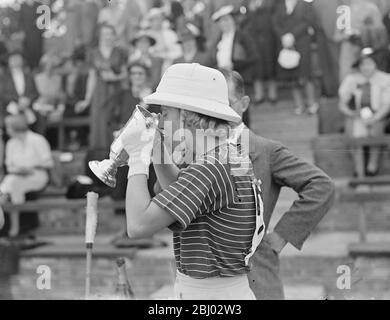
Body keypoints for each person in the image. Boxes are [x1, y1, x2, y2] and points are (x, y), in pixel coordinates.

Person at [123, 63, 265, 300]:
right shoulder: (228, 156)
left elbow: (137, 226)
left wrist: (138, 157)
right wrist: (157, 149)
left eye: (166, 113)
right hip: (226, 291)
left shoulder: (208, 168)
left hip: (209, 295)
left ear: (187, 115)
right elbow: (183, 192)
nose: (160, 120)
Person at [220, 69, 336, 300]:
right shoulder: (192, 150)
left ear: (243, 104)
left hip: (255, 273)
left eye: (227, 103)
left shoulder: (265, 150)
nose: (219, 112)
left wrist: (281, 236)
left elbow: (321, 185)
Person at [339, 48, 390, 177]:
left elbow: (386, 104)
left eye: (369, 63)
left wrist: (376, 117)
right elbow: (343, 103)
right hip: (357, 115)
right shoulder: (352, 79)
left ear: (375, 64)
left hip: (378, 115)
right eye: (363, 64)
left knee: (376, 128)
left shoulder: (385, 79)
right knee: (353, 130)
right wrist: (351, 113)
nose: (366, 67)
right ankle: (358, 168)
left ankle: (372, 165)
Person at [76, 23, 128, 150]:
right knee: (98, 125)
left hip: (116, 91)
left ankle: (118, 156)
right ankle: (99, 156)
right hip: (99, 92)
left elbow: (126, 74)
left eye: (111, 34)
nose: (108, 37)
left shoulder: (120, 52)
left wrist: (114, 77)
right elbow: (92, 77)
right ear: (99, 35)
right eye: (105, 34)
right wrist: (87, 99)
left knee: (115, 123)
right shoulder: (93, 53)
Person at [0, 114, 53, 237]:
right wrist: (19, 170)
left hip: (36, 175)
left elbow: (48, 163)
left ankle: (15, 228)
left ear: (15, 127)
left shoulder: (37, 140)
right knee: (11, 183)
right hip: (16, 176)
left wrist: (31, 167)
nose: (6, 130)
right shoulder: (11, 143)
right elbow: (9, 166)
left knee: (13, 185)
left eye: (8, 127)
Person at [211, 5, 258, 128]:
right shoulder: (218, 39)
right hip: (223, 80)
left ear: (233, 20)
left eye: (227, 20)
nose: (224, 24)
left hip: (240, 78)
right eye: (221, 21)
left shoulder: (243, 36)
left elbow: (254, 57)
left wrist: (234, 65)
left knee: (241, 109)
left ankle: (245, 136)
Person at [273, 0, 320, 115]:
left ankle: (311, 103)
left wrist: (292, 35)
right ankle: (299, 104)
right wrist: (283, 36)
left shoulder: (305, 5)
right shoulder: (279, 5)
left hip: (302, 43)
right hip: (285, 44)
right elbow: (275, 23)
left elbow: (308, 21)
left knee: (305, 75)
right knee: (291, 75)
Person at [334, 0, 388, 82]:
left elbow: (380, 34)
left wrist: (365, 31)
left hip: (367, 50)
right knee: (347, 77)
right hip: (348, 49)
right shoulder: (344, 10)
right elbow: (336, 36)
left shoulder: (372, 9)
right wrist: (348, 36)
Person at [242, 0, 279, 104]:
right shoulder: (247, 3)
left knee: (271, 65)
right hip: (254, 39)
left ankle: (273, 94)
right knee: (257, 67)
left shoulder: (270, 3)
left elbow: (275, 11)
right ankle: (259, 95)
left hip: (269, 38)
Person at [143, 8, 183, 72]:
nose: (157, 22)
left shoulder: (170, 34)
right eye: (154, 19)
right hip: (147, 67)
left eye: (159, 19)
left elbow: (179, 52)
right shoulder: (144, 35)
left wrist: (164, 56)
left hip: (167, 66)